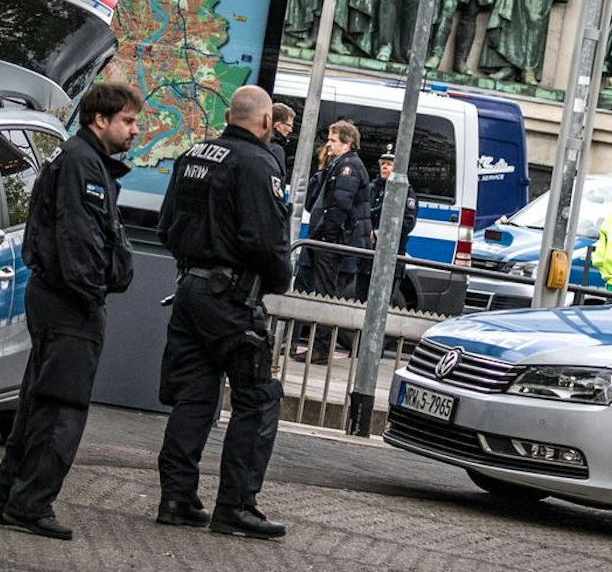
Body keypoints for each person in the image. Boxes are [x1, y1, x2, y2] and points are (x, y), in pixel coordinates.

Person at [0, 82, 141, 541]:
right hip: (70, 304)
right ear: (100, 120)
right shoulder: (82, 164)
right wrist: (91, 292)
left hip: (59, 299)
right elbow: (80, 239)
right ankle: (30, 505)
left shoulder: (82, 160)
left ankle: (7, 499)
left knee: (39, 404)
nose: (134, 130)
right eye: (127, 121)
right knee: (60, 409)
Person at [155, 84, 293, 540]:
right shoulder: (258, 164)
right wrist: (278, 280)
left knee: (194, 397)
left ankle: (176, 498)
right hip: (232, 300)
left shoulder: (193, 154)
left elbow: (166, 227)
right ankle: (236, 506)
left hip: (190, 290)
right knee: (257, 398)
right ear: (267, 121)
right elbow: (265, 241)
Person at [297, 119, 371, 361]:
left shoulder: (348, 167)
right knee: (323, 292)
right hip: (334, 238)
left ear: (347, 143)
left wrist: (326, 238)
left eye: (333, 140)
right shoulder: (339, 164)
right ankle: (319, 347)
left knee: (325, 293)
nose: (328, 145)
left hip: (334, 241)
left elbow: (339, 204)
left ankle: (320, 349)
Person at [362, 146, 420, 307]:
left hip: (390, 256)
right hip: (368, 255)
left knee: (382, 304)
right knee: (360, 300)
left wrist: (379, 234)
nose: (384, 167)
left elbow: (407, 223)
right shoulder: (372, 188)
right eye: (383, 163)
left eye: (389, 164)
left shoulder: (406, 192)